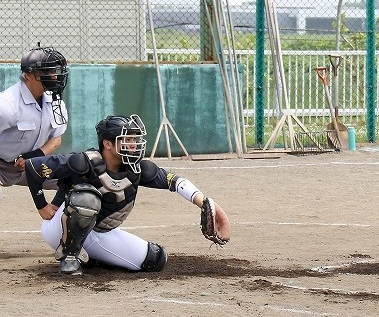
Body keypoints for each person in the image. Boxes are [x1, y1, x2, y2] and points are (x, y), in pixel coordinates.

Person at [24, 114, 231, 275]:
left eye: (134, 139)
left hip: (99, 233)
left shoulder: (136, 169)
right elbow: (32, 167)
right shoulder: (83, 162)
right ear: (107, 143)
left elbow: (175, 182)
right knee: (87, 198)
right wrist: (42, 205)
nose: (133, 144)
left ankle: (95, 258)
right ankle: (69, 257)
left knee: (155, 259)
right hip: (60, 231)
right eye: (127, 139)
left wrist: (205, 203)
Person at [0, 46, 69, 193]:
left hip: (32, 165)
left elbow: (56, 138)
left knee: (76, 180)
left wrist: (35, 156)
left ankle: (55, 209)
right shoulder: (7, 104)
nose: (54, 77)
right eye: (48, 72)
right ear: (29, 75)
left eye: (55, 71)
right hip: (2, 168)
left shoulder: (55, 101)